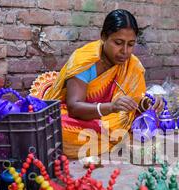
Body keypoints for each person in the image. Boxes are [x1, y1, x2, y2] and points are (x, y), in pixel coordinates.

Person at [41, 9, 163, 159]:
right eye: (118, 43)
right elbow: (74, 107)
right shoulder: (85, 61)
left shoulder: (131, 64)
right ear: (104, 37)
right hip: (78, 117)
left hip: (108, 120)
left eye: (130, 44)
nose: (124, 51)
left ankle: (107, 136)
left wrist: (146, 104)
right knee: (54, 127)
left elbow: (134, 100)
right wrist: (111, 107)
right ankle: (110, 137)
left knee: (131, 121)